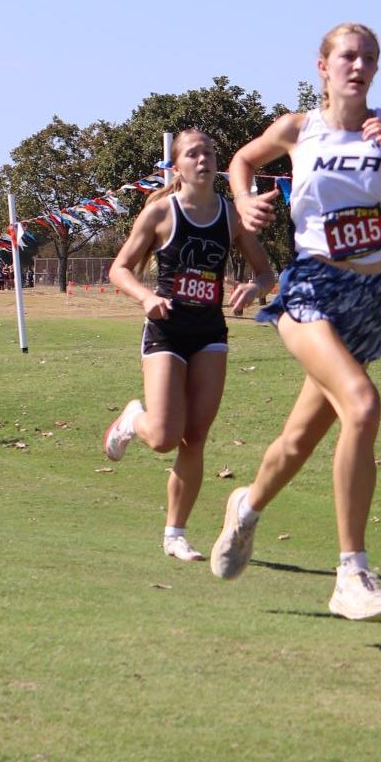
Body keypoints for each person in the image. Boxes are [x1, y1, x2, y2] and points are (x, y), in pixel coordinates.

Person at [209, 22, 381, 622]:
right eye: (348, 56)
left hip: (369, 300)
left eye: (369, 58)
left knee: (299, 441)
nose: (359, 65)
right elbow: (243, 160)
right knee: (363, 405)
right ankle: (351, 573)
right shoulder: (300, 128)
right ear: (322, 67)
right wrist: (244, 199)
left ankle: (245, 508)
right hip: (309, 288)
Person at [105, 128, 275, 562]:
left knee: (194, 439)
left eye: (210, 152)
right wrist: (146, 297)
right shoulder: (161, 213)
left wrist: (253, 289)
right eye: (194, 154)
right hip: (166, 330)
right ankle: (132, 419)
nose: (204, 160)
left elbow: (264, 272)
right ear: (177, 166)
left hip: (209, 333)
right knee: (163, 437)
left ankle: (175, 534)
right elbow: (119, 269)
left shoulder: (231, 215)